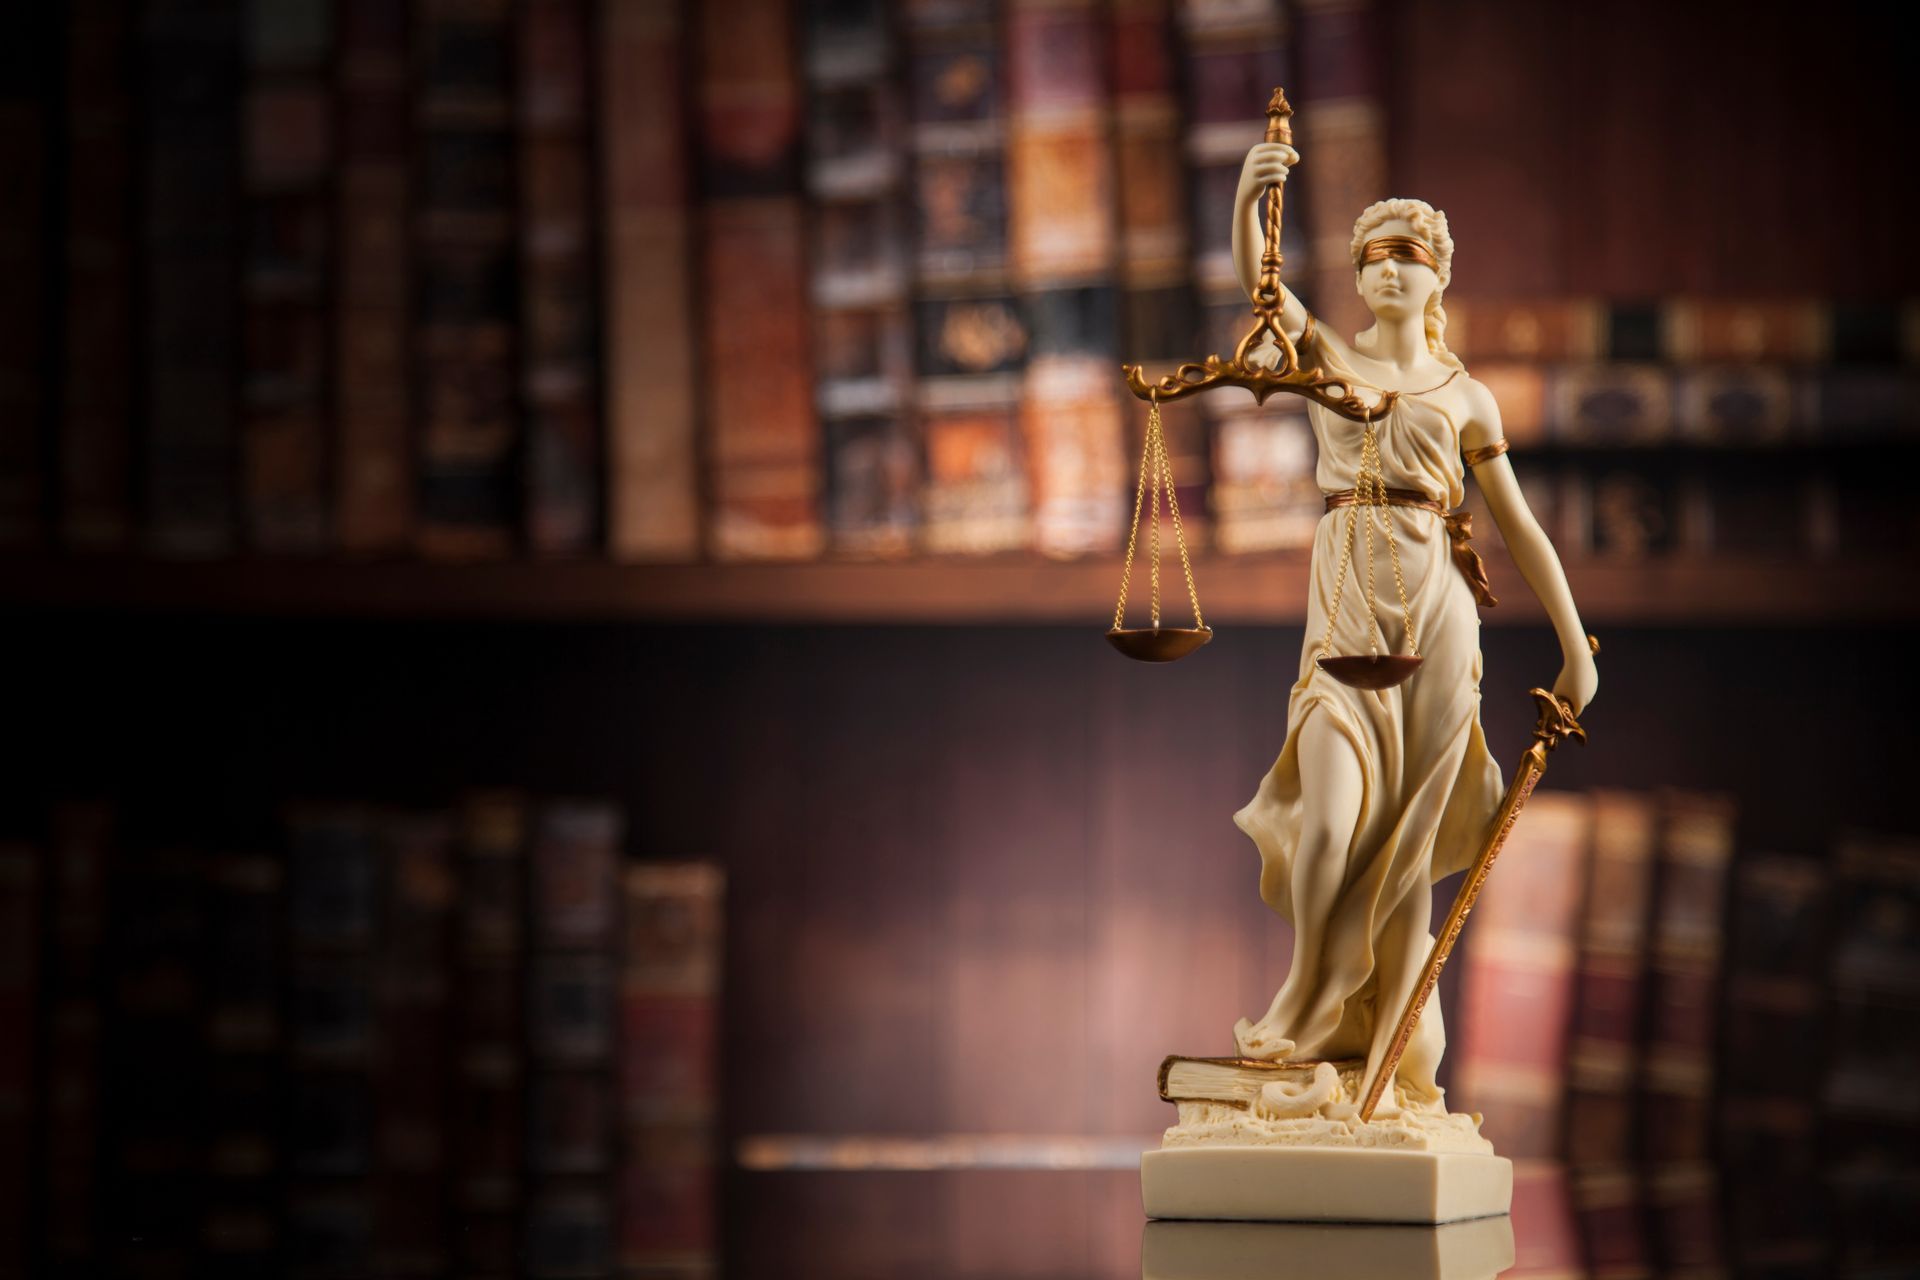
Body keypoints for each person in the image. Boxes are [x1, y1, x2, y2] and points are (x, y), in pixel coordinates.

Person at [1226, 140, 1599, 1115]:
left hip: (1433, 615)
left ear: (1438, 273)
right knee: (1330, 822)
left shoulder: (1466, 396)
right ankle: (1304, 1009)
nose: (1391, 267)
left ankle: (1383, 1064)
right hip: (1347, 600)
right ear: (1356, 276)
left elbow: (1520, 529)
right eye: (1374, 254)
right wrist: (1250, 195)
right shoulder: (1331, 361)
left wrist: (1573, 646)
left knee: (1407, 862)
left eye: (1410, 253)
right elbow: (1264, 295)